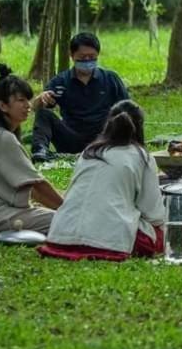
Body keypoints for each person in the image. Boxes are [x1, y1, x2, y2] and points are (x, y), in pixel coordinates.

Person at [38, 100, 166, 261]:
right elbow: (154, 215)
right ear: (140, 127)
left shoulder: (89, 151)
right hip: (108, 243)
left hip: (59, 237)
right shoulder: (142, 156)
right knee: (161, 234)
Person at [0, 64, 64, 234]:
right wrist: (69, 210)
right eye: (20, 100)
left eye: (27, 99)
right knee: (68, 221)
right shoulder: (2, 138)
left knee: (63, 209)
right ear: (3, 106)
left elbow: (29, 187)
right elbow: (37, 185)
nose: (27, 105)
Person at [32, 32, 130, 162]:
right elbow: (36, 107)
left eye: (92, 57)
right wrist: (40, 100)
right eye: (83, 57)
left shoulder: (110, 78)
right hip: (72, 138)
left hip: (104, 137)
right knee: (43, 114)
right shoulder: (61, 81)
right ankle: (40, 151)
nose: (87, 61)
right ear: (72, 56)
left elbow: (129, 109)